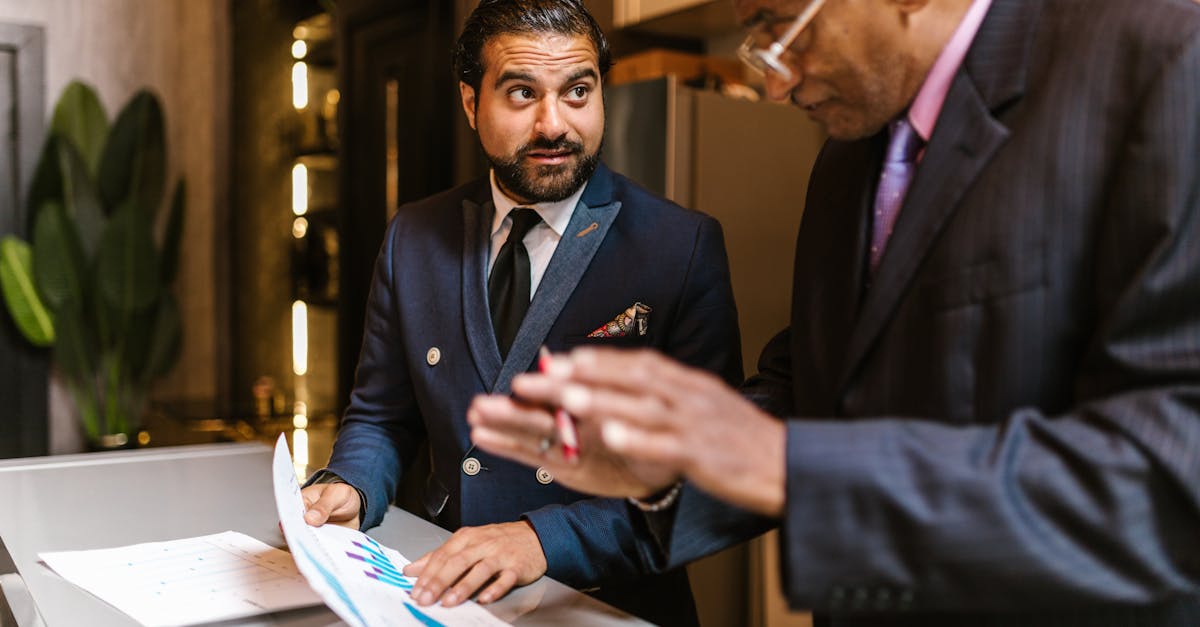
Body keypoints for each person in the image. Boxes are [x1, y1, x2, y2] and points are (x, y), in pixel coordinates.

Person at [467, 0, 1200, 624]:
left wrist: (786, 467)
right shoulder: (847, 154)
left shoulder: (1167, 60)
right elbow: (812, 390)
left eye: (781, 27)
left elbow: (1168, 483)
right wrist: (668, 458)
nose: (775, 81)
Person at [298, 0, 742, 624]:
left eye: (578, 91)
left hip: (606, 606)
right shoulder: (414, 236)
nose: (553, 124)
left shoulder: (681, 246)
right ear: (471, 103)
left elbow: (710, 478)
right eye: (521, 93)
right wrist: (351, 483)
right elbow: (382, 416)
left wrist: (542, 539)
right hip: (445, 594)